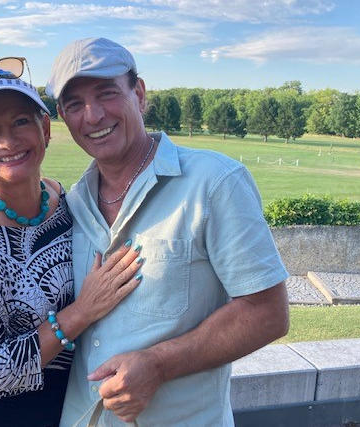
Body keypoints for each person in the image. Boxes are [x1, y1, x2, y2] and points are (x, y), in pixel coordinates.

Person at [46, 37, 291, 426]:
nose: (93, 116)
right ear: (63, 115)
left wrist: (158, 364)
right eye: (75, 104)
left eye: (107, 93)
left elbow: (268, 313)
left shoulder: (214, 182)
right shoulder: (72, 204)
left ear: (139, 94)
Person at [0, 57, 143, 427]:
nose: (7, 141)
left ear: (46, 129)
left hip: (57, 402)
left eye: (21, 122)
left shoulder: (63, 200)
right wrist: (79, 313)